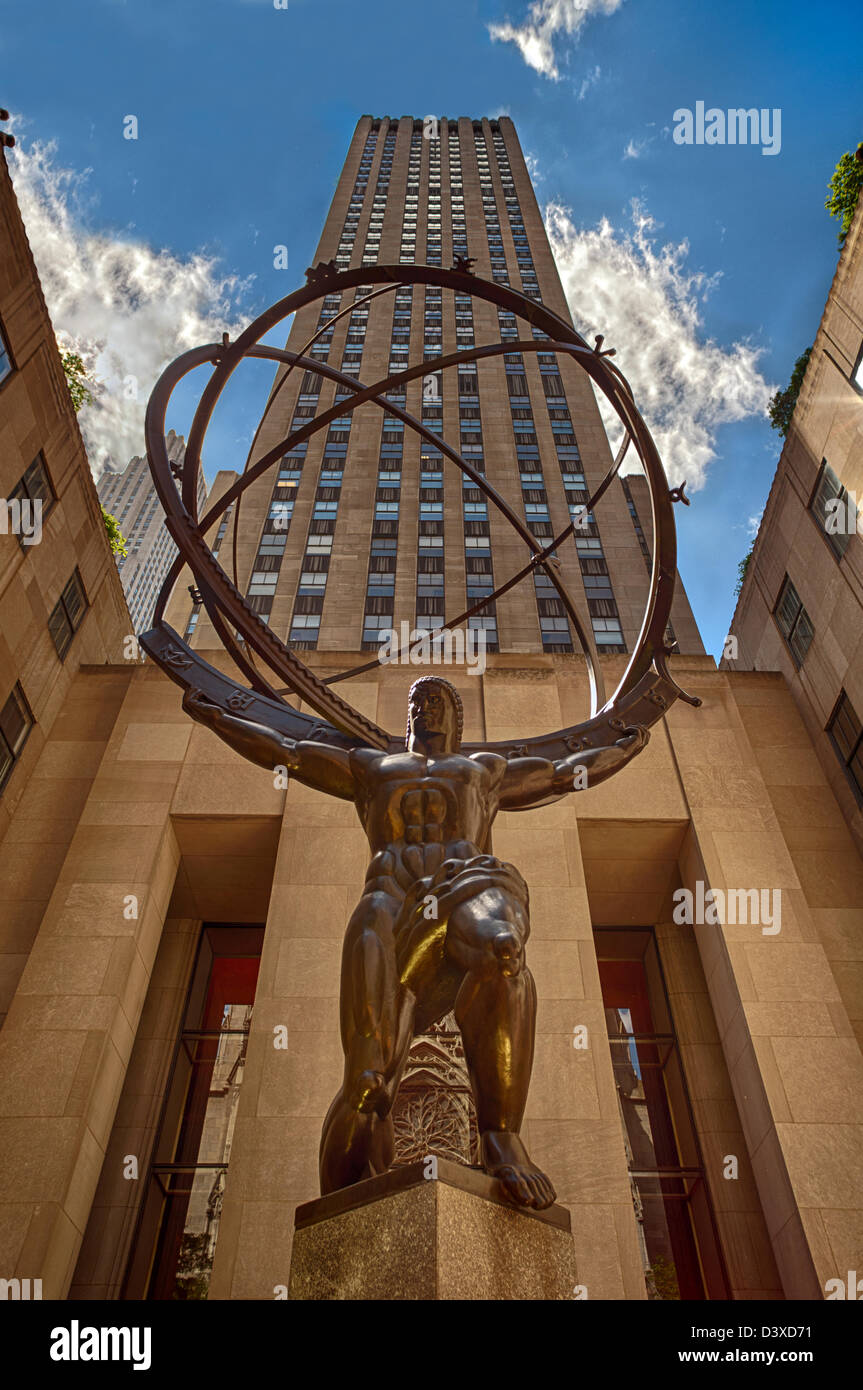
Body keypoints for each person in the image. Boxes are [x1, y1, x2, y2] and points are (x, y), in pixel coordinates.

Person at [183, 675, 647, 1209]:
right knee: (367, 1078)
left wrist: (625, 747)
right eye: (417, 701)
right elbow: (286, 752)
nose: (425, 709)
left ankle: (499, 1137)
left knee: (504, 951)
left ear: (456, 717)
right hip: (389, 904)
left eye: (437, 701)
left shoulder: (483, 772)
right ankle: (347, 1200)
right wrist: (217, 718)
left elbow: (564, 773)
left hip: (459, 893)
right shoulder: (371, 767)